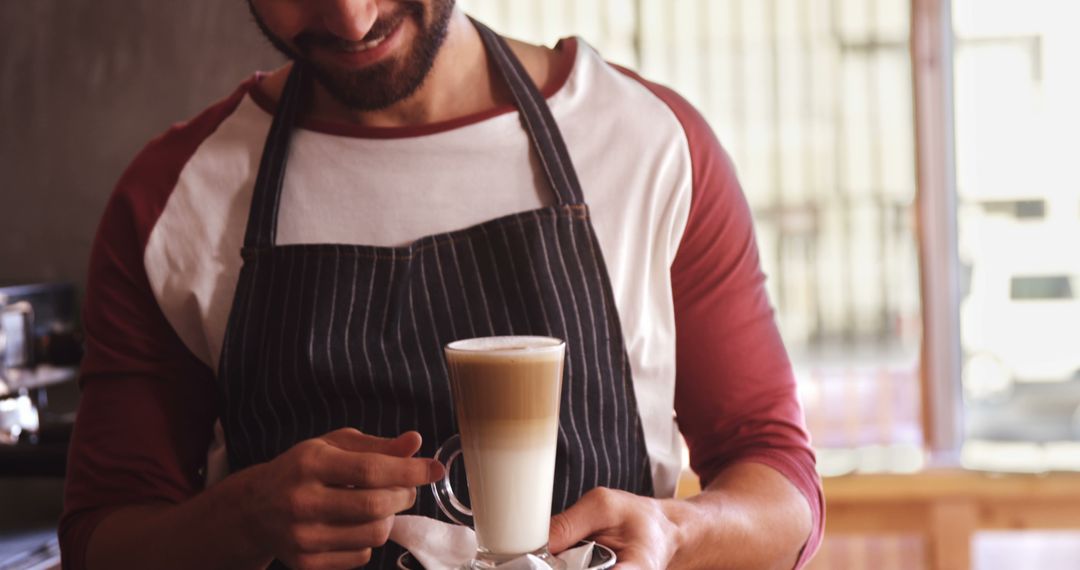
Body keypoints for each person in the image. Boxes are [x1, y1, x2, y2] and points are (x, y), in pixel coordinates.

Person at [60, 1, 824, 569]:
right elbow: (100, 538)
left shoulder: (646, 145)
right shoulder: (175, 198)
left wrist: (676, 532)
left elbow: (781, 486)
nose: (352, 18)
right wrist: (241, 519)